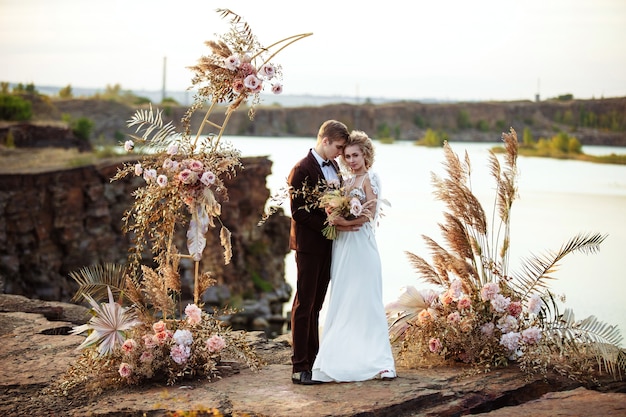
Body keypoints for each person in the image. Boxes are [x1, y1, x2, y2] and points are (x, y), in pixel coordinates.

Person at [311, 130, 397, 382]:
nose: (351, 160)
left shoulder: (371, 178)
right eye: (347, 156)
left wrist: (347, 221)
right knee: (343, 299)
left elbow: (370, 212)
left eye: (355, 155)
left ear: (365, 154)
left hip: (362, 244)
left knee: (367, 299)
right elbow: (333, 212)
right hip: (343, 247)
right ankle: (337, 360)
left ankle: (381, 362)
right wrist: (335, 219)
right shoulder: (343, 184)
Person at [288, 119, 352, 385]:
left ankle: (313, 362)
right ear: (325, 141)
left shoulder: (334, 167)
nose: (340, 153)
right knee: (304, 303)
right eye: (338, 147)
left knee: (317, 305)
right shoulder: (301, 169)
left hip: (329, 244)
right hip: (308, 246)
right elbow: (298, 212)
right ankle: (298, 366)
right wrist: (328, 223)